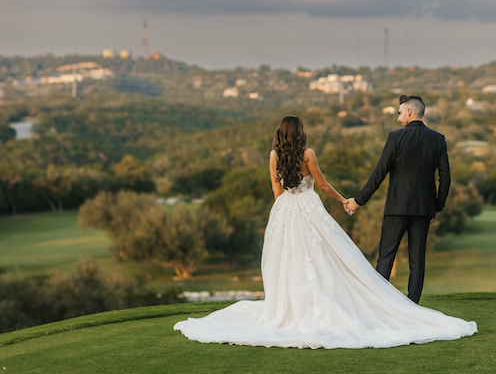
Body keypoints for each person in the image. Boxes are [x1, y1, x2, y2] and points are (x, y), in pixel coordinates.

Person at [174, 116, 476, 349]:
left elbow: (276, 192)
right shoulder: (308, 154)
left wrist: (285, 214)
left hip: (284, 211)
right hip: (308, 207)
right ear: (300, 132)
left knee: (290, 260)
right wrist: (345, 201)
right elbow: (323, 185)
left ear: (280, 133)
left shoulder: (273, 156)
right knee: (325, 257)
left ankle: (291, 306)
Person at [344, 95, 449, 304]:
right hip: (424, 209)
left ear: (409, 112)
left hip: (396, 208)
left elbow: (379, 173)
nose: (398, 118)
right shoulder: (438, 139)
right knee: (417, 261)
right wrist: (437, 206)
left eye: (400, 113)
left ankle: (379, 306)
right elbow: (445, 178)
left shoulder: (395, 137)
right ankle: (412, 307)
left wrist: (358, 200)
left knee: (385, 258)